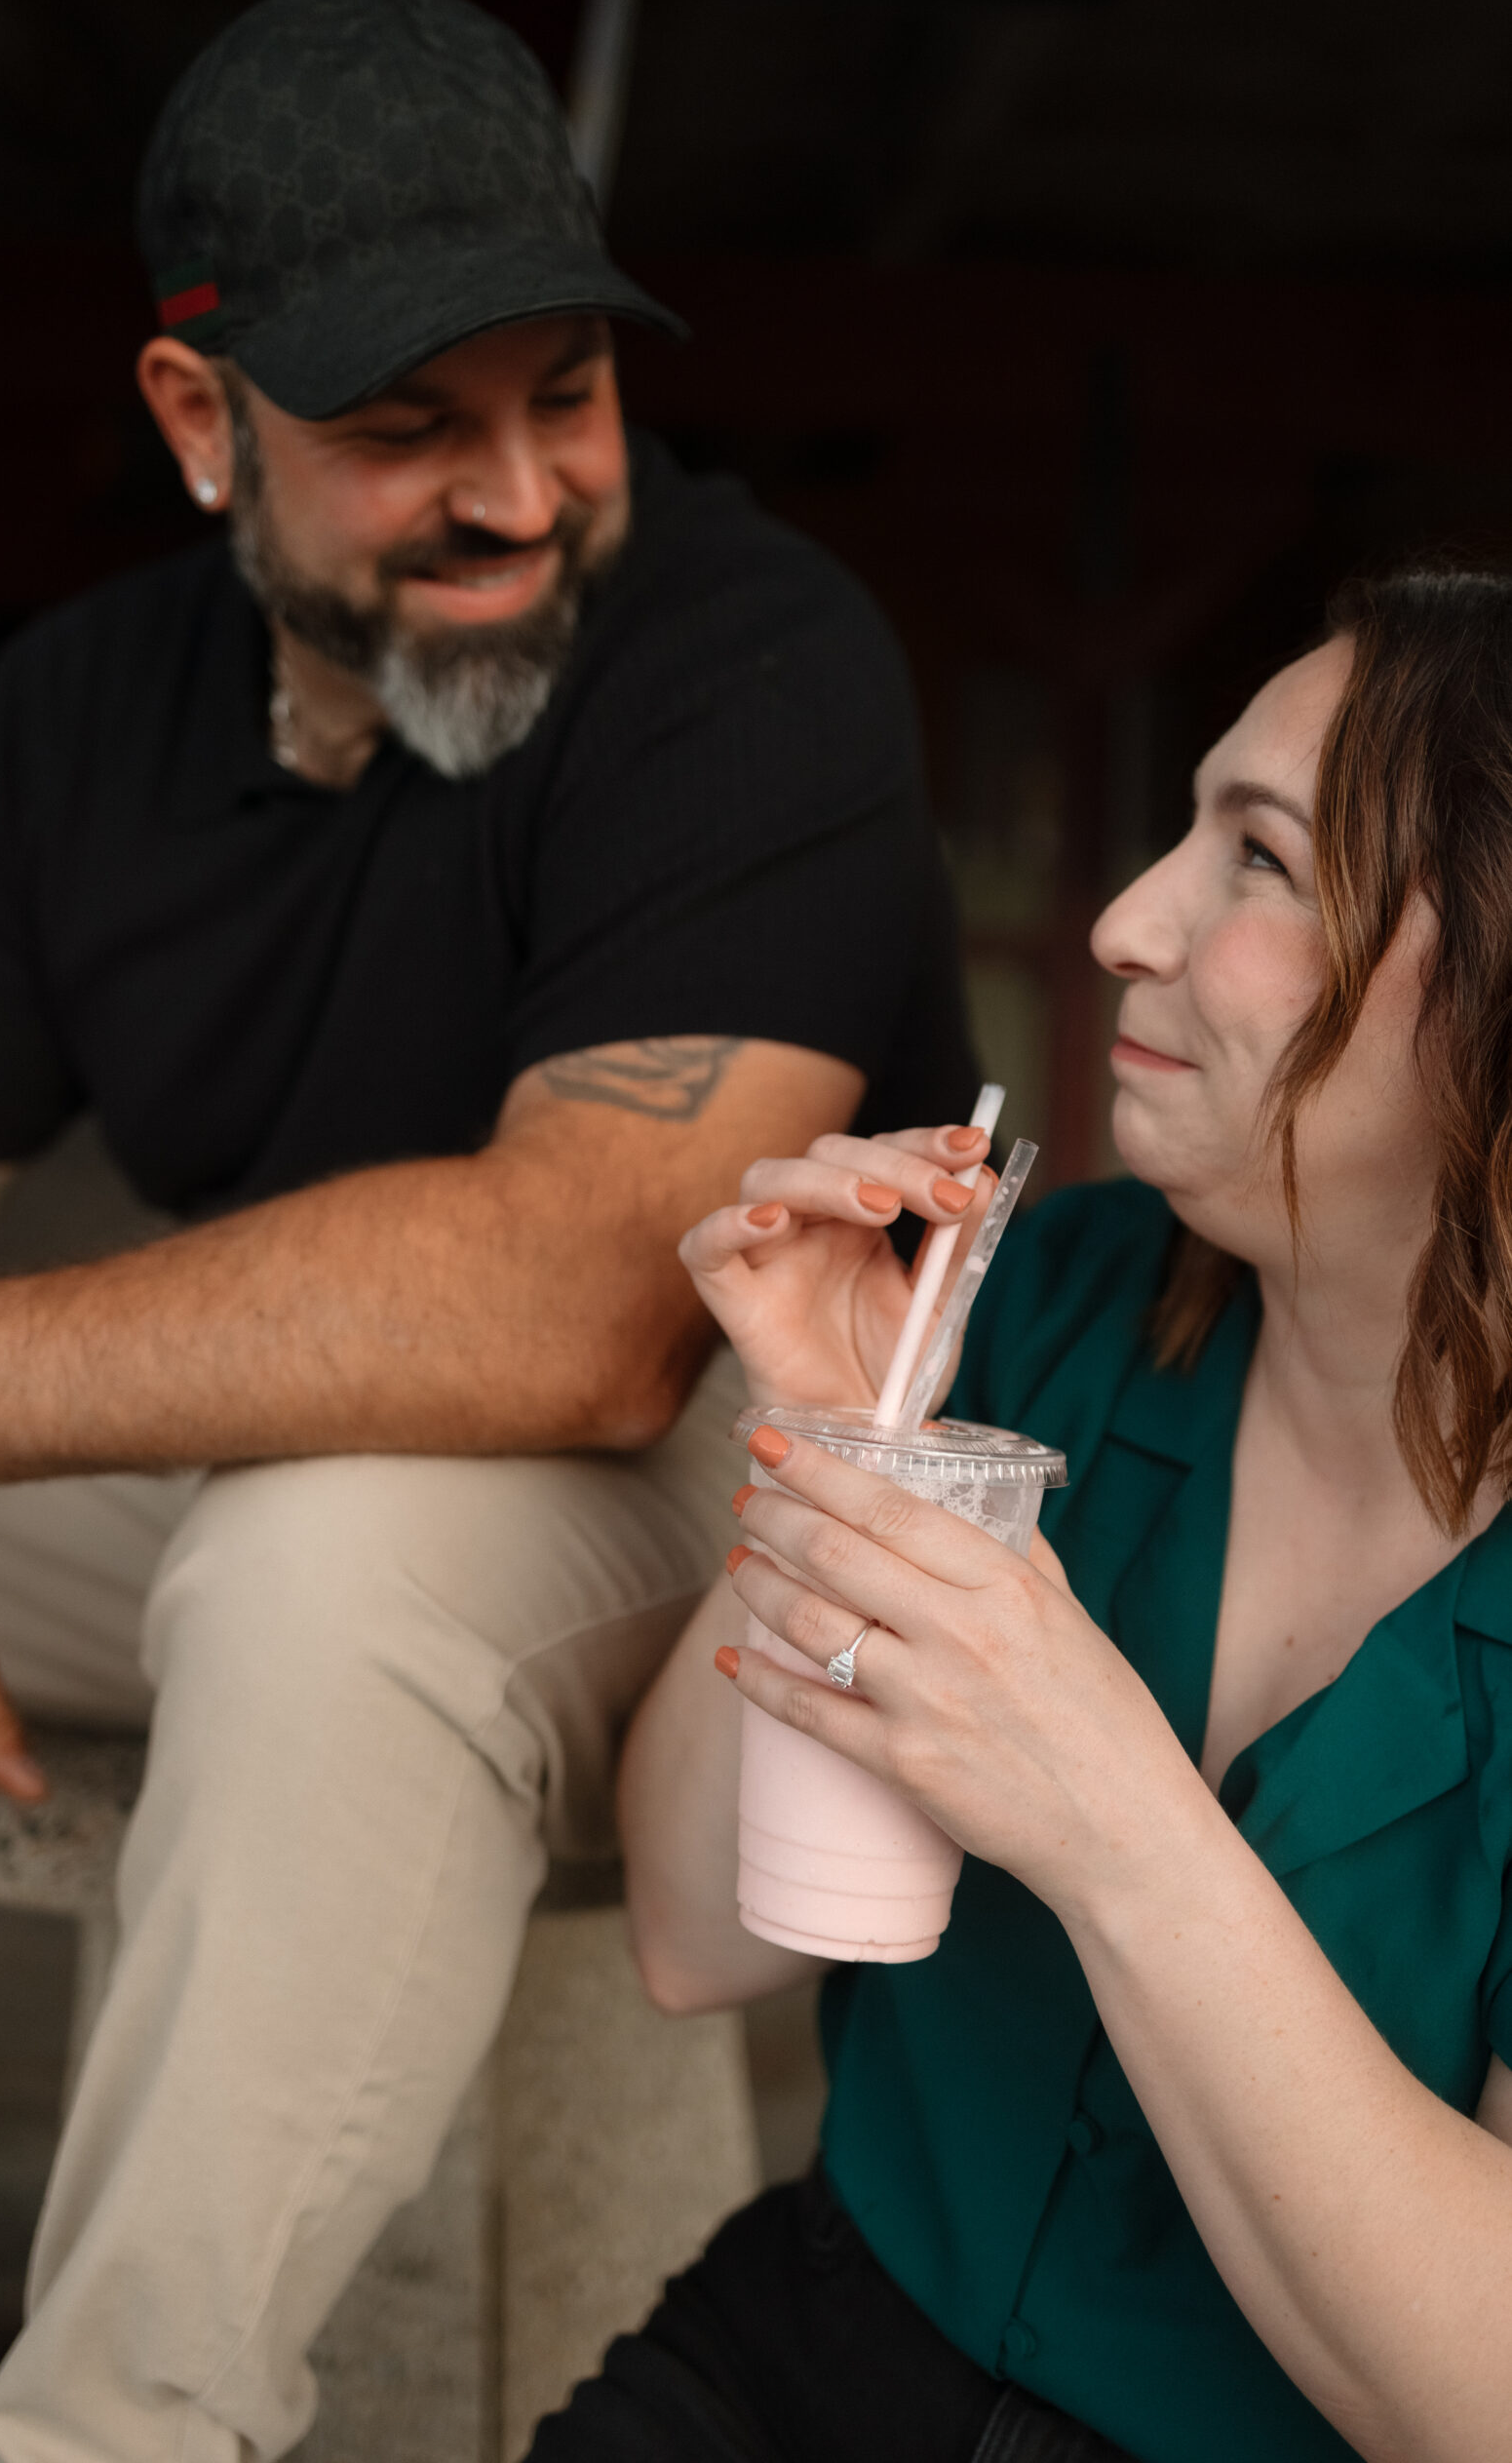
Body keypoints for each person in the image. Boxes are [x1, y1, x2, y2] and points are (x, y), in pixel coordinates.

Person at [0, 0, 975, 2462]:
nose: (518, 491)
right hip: (301, 1443)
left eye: (560, 394)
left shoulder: (751, 654)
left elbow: (579, 1308)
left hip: (743, 1476)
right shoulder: (81, 715)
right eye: (400, 431)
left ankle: (118, 2436)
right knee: (264, 1507)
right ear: (193, 422)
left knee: (324, 1561)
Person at [543, 567, 1512, 2463]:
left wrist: (1100, 1801)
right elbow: (692, 1931)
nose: (1119, 918)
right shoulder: (1057, 1301)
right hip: (799, 2350)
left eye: (1255, 859)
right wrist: (838, 1427)